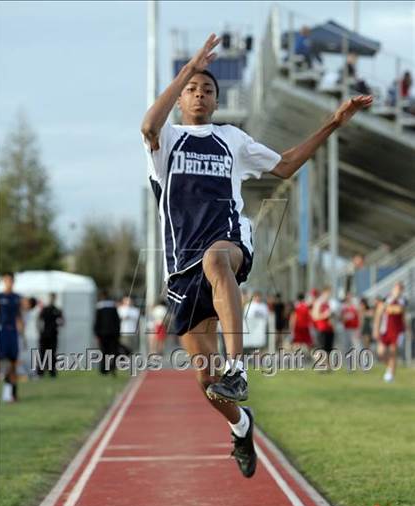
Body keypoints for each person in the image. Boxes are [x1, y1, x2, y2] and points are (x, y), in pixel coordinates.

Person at [141, 33, 372, 477]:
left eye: (208, 89)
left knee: (216, 260)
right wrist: (188, 67)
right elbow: (148, 125)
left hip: (229, 243)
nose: (200, 94)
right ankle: (242, 425)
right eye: (192, 88)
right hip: (180, 270)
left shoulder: (231, 138)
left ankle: (238, 366)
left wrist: (334, 122)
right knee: (208, 387)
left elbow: (285, 164)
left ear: (216, 99)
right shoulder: (166, 140)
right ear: (182, 93)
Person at [0, 272, 23, 402]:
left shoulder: (17, 297)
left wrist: (22, 333)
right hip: (2, 332)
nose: (8, 283)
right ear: (3, 282)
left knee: (13, 364)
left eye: (10, 280)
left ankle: (12, 394)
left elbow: (19, 317)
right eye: (6, 280)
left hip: (13, 334)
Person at [373, 282, 406, 382]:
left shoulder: (402, 300)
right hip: (385, 330)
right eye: (396, 289)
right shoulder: (386, 299)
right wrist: (376, 329)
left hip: (397, 331)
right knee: (381, 353)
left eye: (399, 290)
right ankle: (389, 368)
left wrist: (387, 308)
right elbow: (379, 313)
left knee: (392, 352)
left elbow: (399, 310)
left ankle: (391, 375)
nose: (397, 292)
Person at [37, 293, 64, 378]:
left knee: (52, 354)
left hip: (53, 335)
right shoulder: (45, 309)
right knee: (43, 354)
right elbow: (39, 320)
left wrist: (58, 324)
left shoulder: (57, 310)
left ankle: (52, 372)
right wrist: (40, 331)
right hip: (44, 335)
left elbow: (62, 321)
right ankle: (40, 373)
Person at [94, 290, 120, 375]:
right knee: (113, 351)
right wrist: (117, 332)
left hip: (103, 334)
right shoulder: (113, 307)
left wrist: (96, 333)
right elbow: (117, 321)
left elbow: (97, 322)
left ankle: (104, 369)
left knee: (104, 351)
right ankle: (112, 367)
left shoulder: (99, 308)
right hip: (113, 333)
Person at [312, 286, 335, 363]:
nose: (329, 295)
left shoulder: (328, 303)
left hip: (329, 328)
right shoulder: (319, 303)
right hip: (322, 328)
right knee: (322, 348)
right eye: (328, 293)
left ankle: (327, 365)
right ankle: (320, 364)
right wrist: (325, 315)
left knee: (329, 348)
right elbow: (315, 316)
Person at [340, 292, 361, 369]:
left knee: (357, 347)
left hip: (354, 329)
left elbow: (359, 318)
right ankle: (350, 365)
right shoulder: (344, 308)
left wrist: (358, 329)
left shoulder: (355, 307)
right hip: (347, 329)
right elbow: (342, 319)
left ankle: (363, 364)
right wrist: (345, 318)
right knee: (347, 347)